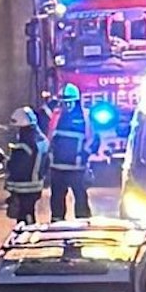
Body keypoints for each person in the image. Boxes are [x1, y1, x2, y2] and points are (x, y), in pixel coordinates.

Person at [47, 84, 96, 220]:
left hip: (77, 168)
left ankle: (83, 224)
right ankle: (57, 223)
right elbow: (49, 137)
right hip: (57, 167)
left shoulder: (85, 116)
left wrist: (84, 154)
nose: (66, 106)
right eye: (64, 102)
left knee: (81, 199)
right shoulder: (56, 116)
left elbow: (93, 139)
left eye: (69, 102)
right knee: (57, 200)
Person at [1, 106, 48, 224]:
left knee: (24, 216)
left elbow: (17, 167)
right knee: (29, 212)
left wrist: (4, 161)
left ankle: (26, 233)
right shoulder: (41, 140)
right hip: (36, 184)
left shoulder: (24, 144)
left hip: (23, 187)